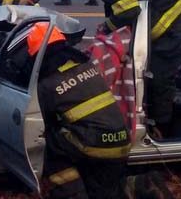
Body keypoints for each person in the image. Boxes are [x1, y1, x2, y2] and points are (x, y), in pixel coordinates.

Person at [48, 0, 181, 138]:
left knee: (159, 71)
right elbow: (116, 7)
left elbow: (129, 11)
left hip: (174, 5)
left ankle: (164, 129)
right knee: (144, 62)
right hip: (167, 1)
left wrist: (107, 27)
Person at [29, 22, 130, 199]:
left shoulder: (47, 84)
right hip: (121, 141)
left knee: (49, 144)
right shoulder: (88, 66)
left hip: (94, 145)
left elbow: (43, 122)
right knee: (106, 191)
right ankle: (144, 185)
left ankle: (71, 193)